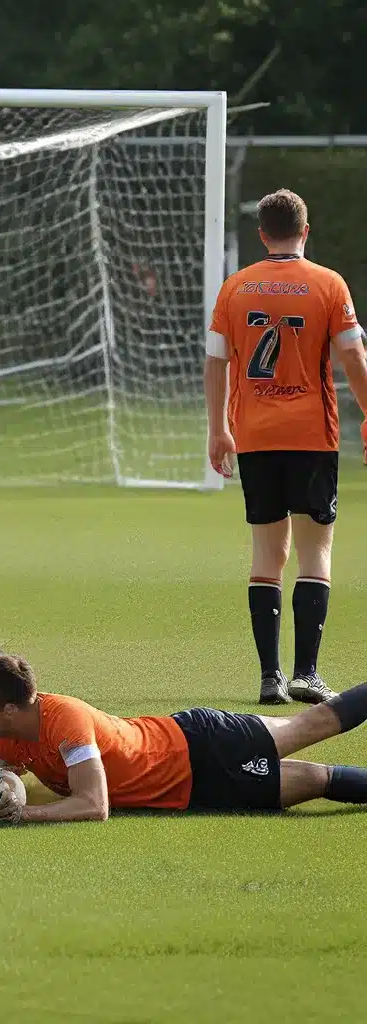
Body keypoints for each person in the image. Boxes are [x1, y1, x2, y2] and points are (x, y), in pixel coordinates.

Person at [205, 189, 367, 706]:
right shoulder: (328, 284)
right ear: (306, 229)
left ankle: (269, 677)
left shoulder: (235, 287)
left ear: (261, 234)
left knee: (266, 553)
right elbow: (352, 357)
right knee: (315, 550)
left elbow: (215, 362)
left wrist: (217, 429)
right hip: (310, 435)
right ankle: (307, 673)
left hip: (253, 435)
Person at [0, 652, 367, 823]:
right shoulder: (4, 735)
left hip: (199, 742)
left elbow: (95, 806)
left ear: (11, 708)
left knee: (315, 723)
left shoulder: (64, 720)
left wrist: (22, 814)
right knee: (317, 781)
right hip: (196, 792)